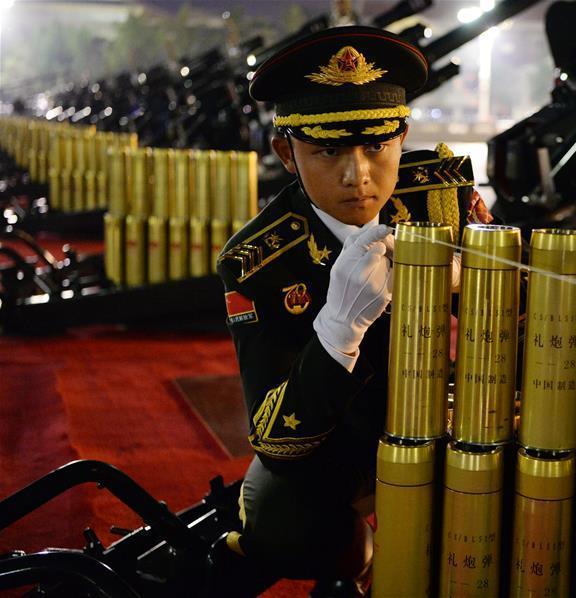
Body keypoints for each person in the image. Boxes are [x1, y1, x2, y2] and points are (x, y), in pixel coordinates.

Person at [215, 26, 492, 595]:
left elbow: (528, 335)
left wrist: (483, 291)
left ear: (403, 137)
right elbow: (276, 441)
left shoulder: (442, 200)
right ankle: (355, 562)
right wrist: (338, 328)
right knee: (280, 520)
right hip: (341, 446)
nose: (358, 174)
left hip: (445, 424)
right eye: (328, 149)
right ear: (286, 154)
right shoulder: (260, 260)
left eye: (377, 146)